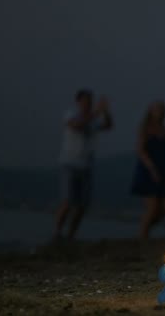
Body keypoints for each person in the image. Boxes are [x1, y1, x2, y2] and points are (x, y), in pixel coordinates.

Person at [55, 89, 113, 240]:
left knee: (82, 206)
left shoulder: (93, 120)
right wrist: (96, 112)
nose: (88, 104)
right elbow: (76, 125)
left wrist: (105, 111)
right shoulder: (70, 114)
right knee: (67, 202)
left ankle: (71, 235)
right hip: (69, 163)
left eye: (90, 101)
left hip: (86, 166)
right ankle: (57, 233)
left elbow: (108, 125)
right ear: (79, 102)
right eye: (85, 101)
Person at [131, 101, 165, 240]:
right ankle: (143, 236)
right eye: (157, 109)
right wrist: (152, 168)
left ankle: (144, 229)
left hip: (163, 169)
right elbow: (140, 150)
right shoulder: (145, 129)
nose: (160, 112)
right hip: (148, 169)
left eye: (162, 110)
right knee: (152, 206)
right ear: (151, 111)